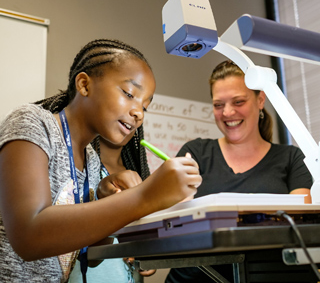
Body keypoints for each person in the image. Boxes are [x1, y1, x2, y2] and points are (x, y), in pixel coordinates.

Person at [0, 39, 202, 282]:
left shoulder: (91, 160)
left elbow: (91, 256)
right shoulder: (33, 123)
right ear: (84, 85)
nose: (138, 112)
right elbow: (29, 237)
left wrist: (106, 199)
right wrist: (145, 196)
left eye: (145, 107)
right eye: (129, 94)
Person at [165, 60, 313, 283]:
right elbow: (174, 220)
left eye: (239, 101)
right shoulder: (195, 153)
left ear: (260, 100)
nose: (227, 112)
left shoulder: (291, 158)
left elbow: (299, 226)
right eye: (218, 105)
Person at [69, 128, 156, 282]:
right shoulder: (78, 166)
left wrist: (150, 255)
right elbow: (88, 255)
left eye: (143, 108)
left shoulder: (139, 174)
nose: (136, 113)